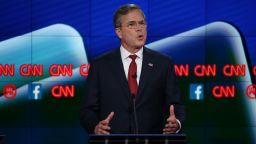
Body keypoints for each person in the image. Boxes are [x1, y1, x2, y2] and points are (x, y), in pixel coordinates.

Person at [80, 4, 185, 134]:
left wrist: (177, 123)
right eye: (131, 24)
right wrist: (95, 127)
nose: (139, 29)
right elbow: (87, 110)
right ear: (119, 32)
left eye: (142, 23)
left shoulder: (163, 63)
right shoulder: (100, 65)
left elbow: (176, 105)